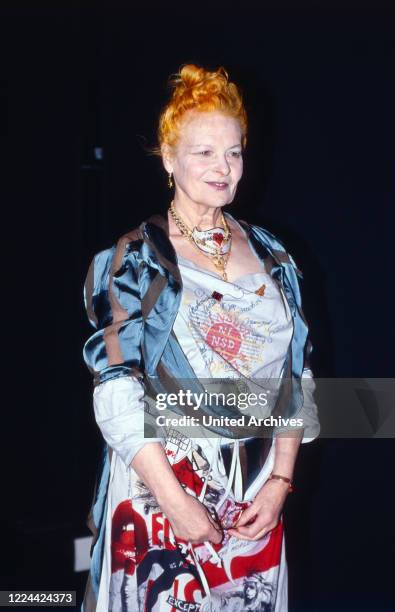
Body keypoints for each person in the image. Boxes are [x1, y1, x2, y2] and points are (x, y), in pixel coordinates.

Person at [81, 63, 320, 612]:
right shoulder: (135, 259)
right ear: (169, 159)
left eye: (233, 152)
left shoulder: (274, 256)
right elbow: (116, 389)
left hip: (255, 496)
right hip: (163, 496)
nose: (224, 167)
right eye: (204, 152)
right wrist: (174, 500)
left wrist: (281, 480)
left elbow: (294, 378)